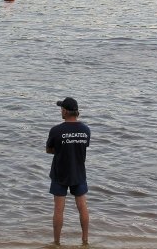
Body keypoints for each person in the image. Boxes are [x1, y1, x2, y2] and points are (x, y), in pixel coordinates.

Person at [46, 97, 91, 246]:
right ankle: (85, 241)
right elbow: (83, 147)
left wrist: (61, 149)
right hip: (78, 172)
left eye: (61, 109)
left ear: (65, 111)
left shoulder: (56, 130)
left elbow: (49, 150)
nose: (60, 111)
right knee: (82, 206)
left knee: (59, 209)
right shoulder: (85, 130)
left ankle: (56, 242)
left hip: (60, 173)